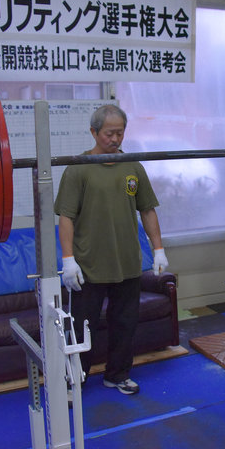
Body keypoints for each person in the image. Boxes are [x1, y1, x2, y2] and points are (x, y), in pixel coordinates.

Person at [54, 104, 168, 395]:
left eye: (120, 133)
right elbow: (66, 216)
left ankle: (117, 375)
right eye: (109, 133)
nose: (115, 139)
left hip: (127, 263)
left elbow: (147, 209)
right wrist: (68, 260)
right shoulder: (78, 168)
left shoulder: (133, 166)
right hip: (88, 266)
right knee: (81, 327)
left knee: (125, 323)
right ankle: (74, 380)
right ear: (94, 132)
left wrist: (158, 249)